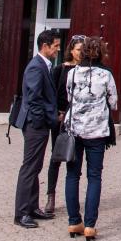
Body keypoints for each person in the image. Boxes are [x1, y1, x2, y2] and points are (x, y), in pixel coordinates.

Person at [63, 36, 118, 241]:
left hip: (74, 130)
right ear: (101, 52)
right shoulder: (106, 74)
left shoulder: (73, 73)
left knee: (72, 176)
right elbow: (113, 102)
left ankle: (73, 221)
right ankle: (90, 225)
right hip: (96, 132)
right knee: (94, 176)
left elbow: (69, 97)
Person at [13, 29, 61, 228]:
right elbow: (34, 99)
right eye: (56, 46)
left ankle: (32, 207)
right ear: (45, 46)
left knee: (35, 167)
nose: (58, 49)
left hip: (39, 124)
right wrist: (44, 120)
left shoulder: (44, 65)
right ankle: (22, 212)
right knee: (30, 167)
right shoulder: (36, 67)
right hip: (35, 125)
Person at [46, 34, 84, 213]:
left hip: (78, 119)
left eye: (84, 50)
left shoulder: (86, 70)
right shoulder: (60, 69)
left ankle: (72, 197)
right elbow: (52, 94)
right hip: (60, 119)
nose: (81, 53)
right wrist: (57, 113)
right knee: (57, 156)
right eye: (78, 50)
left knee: (75, 157)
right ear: (71, 50)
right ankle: (50, 195)